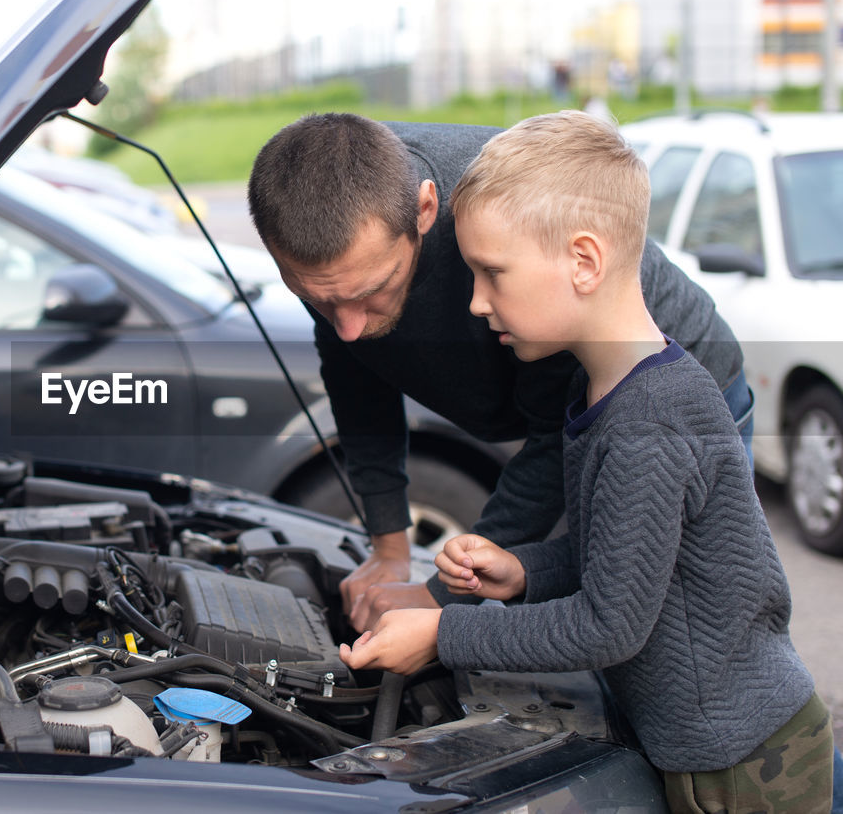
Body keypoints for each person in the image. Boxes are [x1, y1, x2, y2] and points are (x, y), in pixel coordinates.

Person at [339, 110, 834, 812]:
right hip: (704, 738)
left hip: (743, 761)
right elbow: (628, 558)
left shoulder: (649, 419)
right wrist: (524, 572)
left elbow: (610, 624)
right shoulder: (603, 392)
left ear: (583, 261)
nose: (477, 302)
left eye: (492, 273)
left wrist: (445, 631)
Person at [246, 112, 750, 633]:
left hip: (654, 395)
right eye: (317, 300)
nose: (347, 327)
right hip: (561, 415)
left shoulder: (505, 232)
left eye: (371, 290)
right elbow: (356, 381)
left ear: (425, 210)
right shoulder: (327, 249)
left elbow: (553, 449)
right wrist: (389, 548)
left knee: (684, 625)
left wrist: (440, 606)